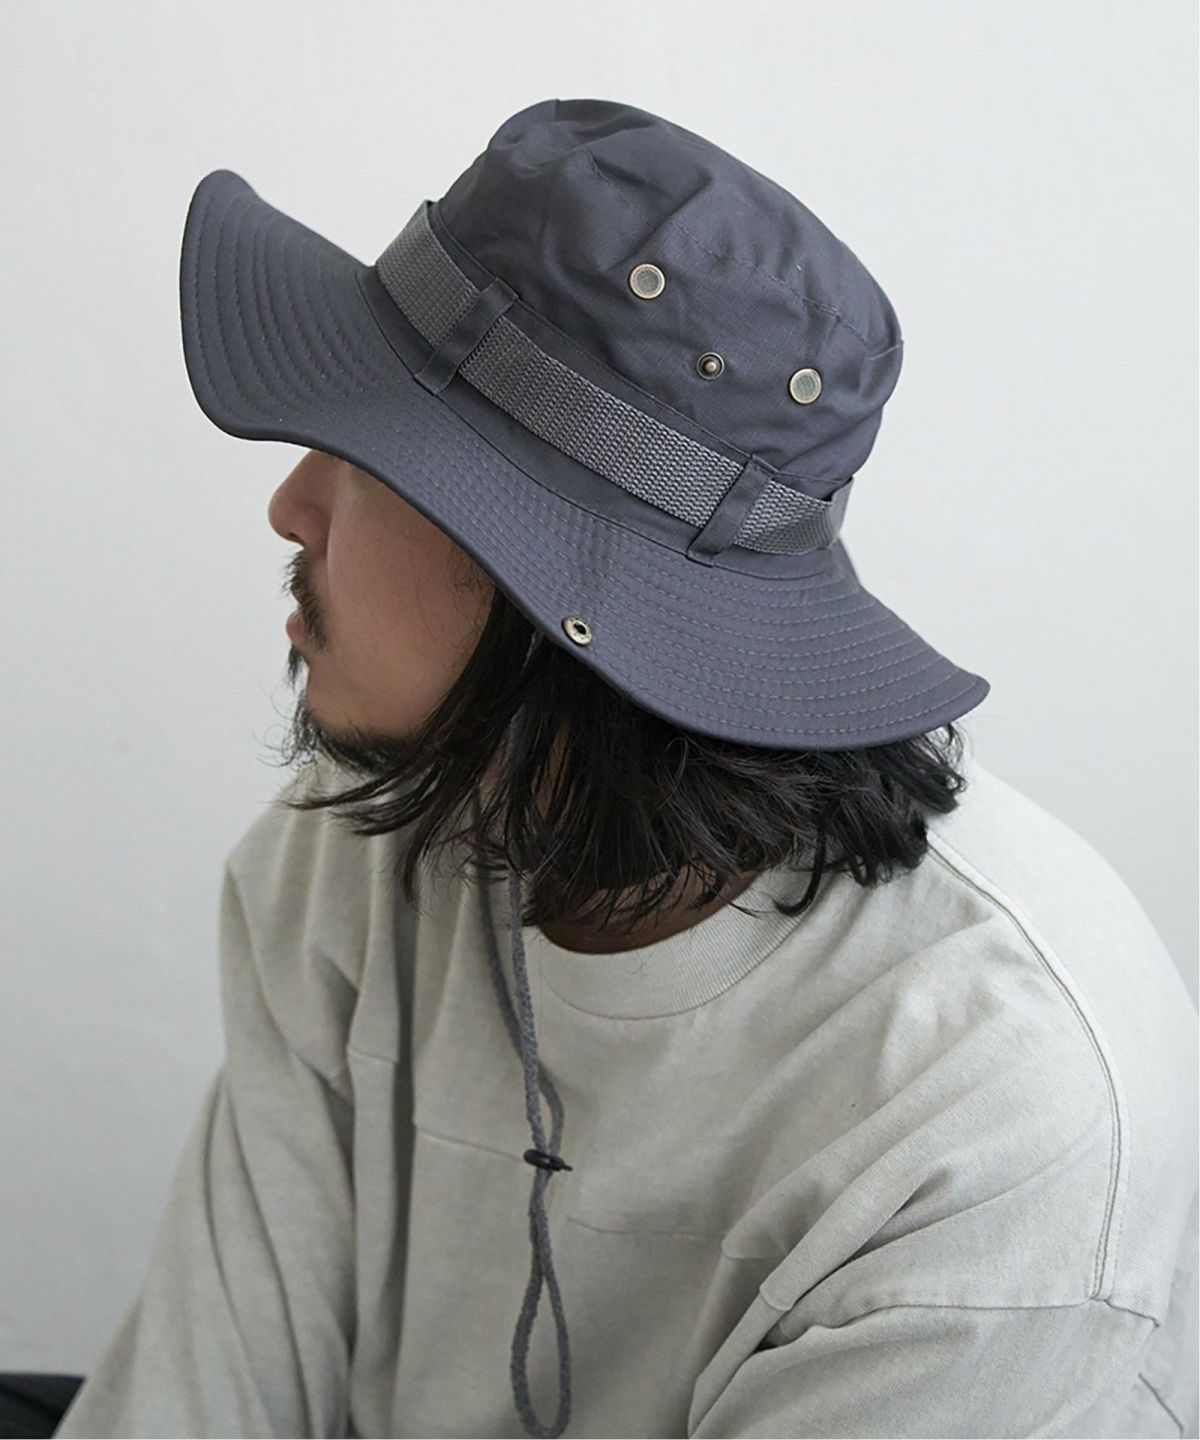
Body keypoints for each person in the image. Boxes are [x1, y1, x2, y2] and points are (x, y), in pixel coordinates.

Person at [45, 98, 1196, 1439]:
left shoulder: (992, 1099)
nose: (290, 503)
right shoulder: (356, 847)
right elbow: (203, 1399)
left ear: (546, 581)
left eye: (373, 451)